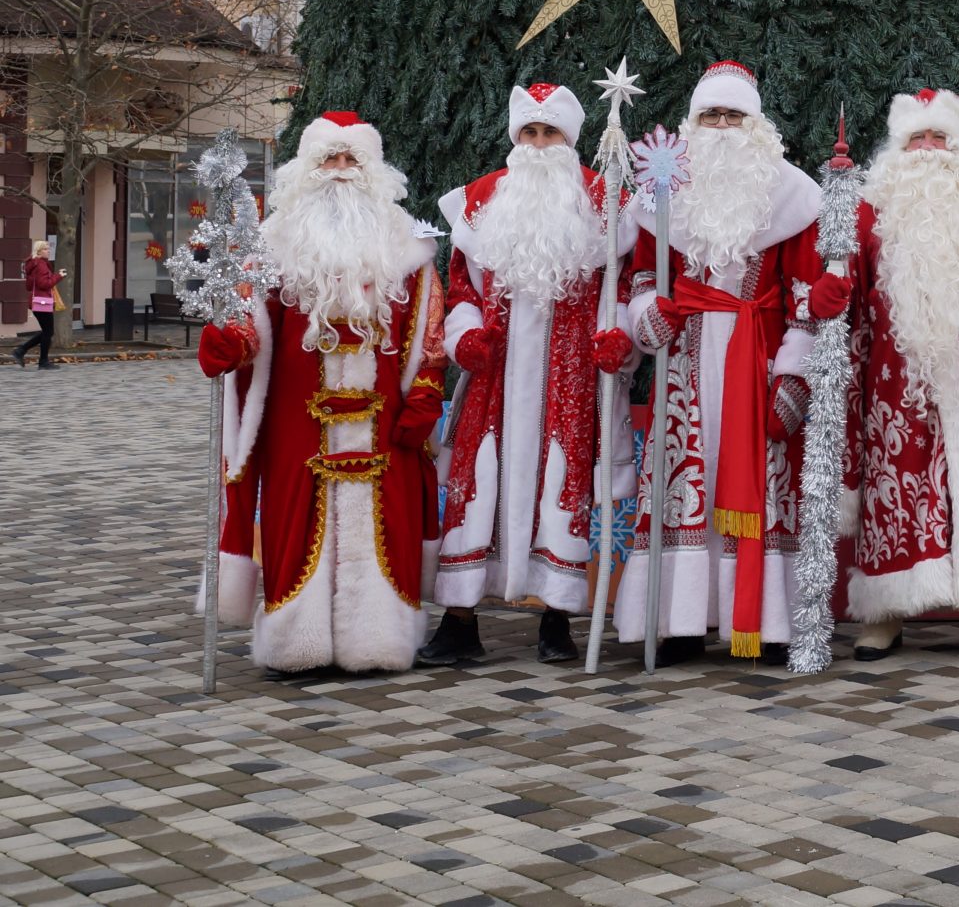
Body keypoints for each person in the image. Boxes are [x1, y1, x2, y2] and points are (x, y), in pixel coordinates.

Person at [808, 88, 959, 663]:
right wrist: (827, 298)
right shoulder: (867, 209)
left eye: (938, 138)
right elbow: (843, 295)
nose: (927, 149)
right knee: (890, 490)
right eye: (916, 138)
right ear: (897, 148)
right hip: (890, 390)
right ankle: (885, 611)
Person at [197, 112, 446, 676]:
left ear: (372, 170)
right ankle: (297, 643)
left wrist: (425, 398)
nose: (339, 172)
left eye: (351, 160)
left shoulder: (409, 249)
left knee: (388, 523)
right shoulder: (270, 247)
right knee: (292, 520)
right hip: (295, 422)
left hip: (385, 428)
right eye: (328, 160)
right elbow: (246, 324)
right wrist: (226, 343)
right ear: (306, 170)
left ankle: (378, 640)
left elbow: (430, 336)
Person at [597, 62, 823, 664]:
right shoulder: (661, 193)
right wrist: (650, 317)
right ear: (692, 124)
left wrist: (794, 377)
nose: (722, 127)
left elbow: (807, 293)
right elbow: (642, 276)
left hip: (760, 361)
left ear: (756, 124)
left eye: (733, 116)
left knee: (762, 485)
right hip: (685, 363)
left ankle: (765, 623)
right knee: (681, 487)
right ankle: (680, 621)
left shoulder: (794, 195)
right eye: (711, 115)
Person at [417, 82, 633, 667]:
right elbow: (462, 287)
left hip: (568, 377)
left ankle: (556, 619)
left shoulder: (604, 201)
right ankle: (459, 620)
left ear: (571, 138)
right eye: (529, 133)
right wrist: (466, 335)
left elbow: (619, 288)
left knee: (562, 489)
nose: (539, 145)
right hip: (494, 375)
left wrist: (619, 337)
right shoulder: (482, 200)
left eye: (551, 133)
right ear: (515, 138)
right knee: (478, 484)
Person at [12, 241, 64, 369]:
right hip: (43, 301)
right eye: (46, 249)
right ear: (39, 251)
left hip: (37, 302)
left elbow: (29, 286)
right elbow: (44, 284)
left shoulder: (33, 264)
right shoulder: (41, 265)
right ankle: (43, 362)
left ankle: (21, 351)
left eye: (48, 248)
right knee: (48, 332)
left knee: (47, 332)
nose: (48, 251)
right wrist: (59, 276)